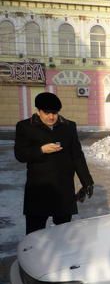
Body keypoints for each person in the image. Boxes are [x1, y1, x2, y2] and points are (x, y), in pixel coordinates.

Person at [14, 92, 94, 234]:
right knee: (35, 234)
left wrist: (87, 181)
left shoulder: (68, 126)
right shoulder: (25, 127)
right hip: (39, 189)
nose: (51, 117)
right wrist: (41, 150)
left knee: (63, 233)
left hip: (63, 189)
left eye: (54, 113)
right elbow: (20, 154)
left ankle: (60, 256)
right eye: (47, 113)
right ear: (38, 111)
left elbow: (77, 156)